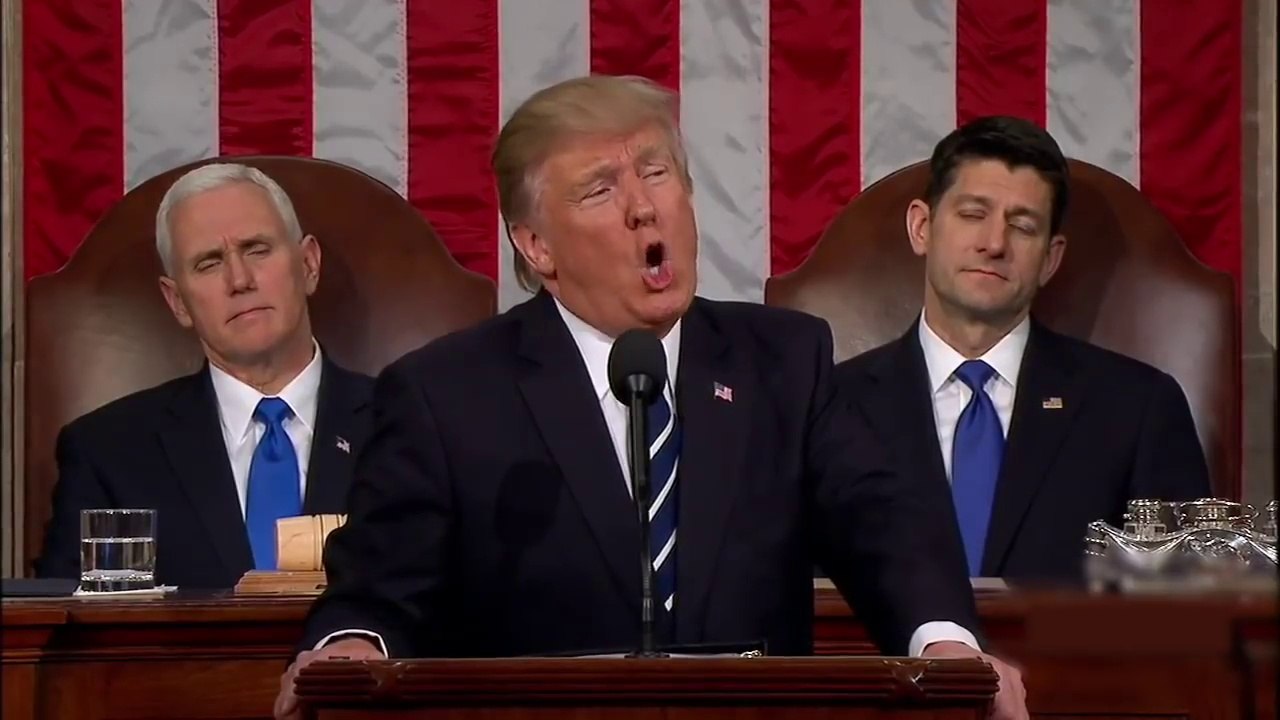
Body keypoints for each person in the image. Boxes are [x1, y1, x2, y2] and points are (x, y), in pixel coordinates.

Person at [274, 76, 1026, 720]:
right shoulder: (446, 395)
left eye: (658, 174)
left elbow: (882, 526)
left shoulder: (784, 363)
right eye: (602, 189)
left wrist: (947, 646)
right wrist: (349, 647)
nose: (644, 209)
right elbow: (376, 589)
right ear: (535, 246)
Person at [834, 116, 1211, 582]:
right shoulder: (833, 406)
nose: (994, 244)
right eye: (973, 214)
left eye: (1023, 226)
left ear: (1050, 259)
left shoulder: (1138, 409)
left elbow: (1182, 613)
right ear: (922, 228)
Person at [36, 163, 375, 590]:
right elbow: (67, 633)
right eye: (209, 263)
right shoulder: (107, 454)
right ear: (177, 301)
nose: (239, 279)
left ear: (308, 264)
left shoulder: (406, 427)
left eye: (256, 249)